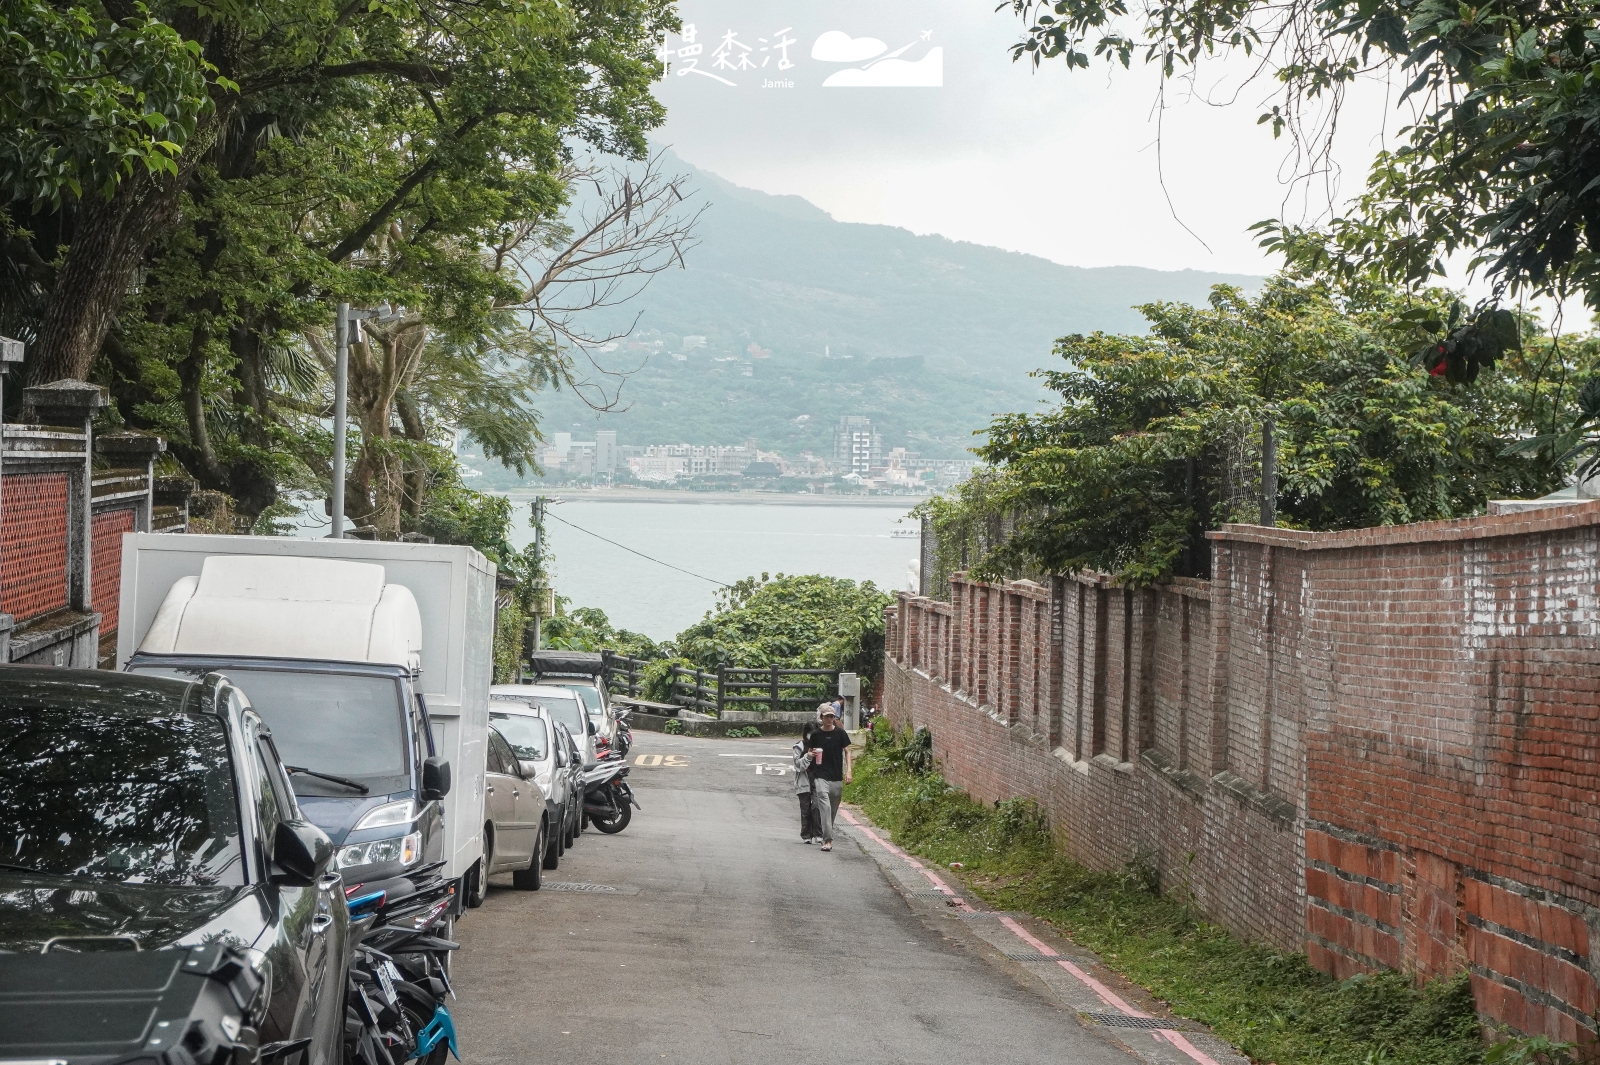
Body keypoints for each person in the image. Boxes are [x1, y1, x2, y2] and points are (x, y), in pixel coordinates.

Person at [808, 702, 852, 852]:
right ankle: (827, 840)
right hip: (820, 775)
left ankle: (827, 831)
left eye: (832, 717)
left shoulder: (840, 733)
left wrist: (849, 771)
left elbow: (847, 751)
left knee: (832, 809)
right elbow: (810, 752)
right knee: (824, 807)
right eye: (826, 717)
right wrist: (810, 755)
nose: (829, 719)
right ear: (821, 717)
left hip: (836, 776)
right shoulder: (816, 735)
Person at [792, 722, 821, 843]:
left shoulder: (820, 746)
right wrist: (808, 756)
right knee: (805, 809)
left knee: (817, 806)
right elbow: (798, 766)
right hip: (803, 780)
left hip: (817, 779)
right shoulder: (799, 746)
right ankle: (806, 835)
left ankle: (818, 834)